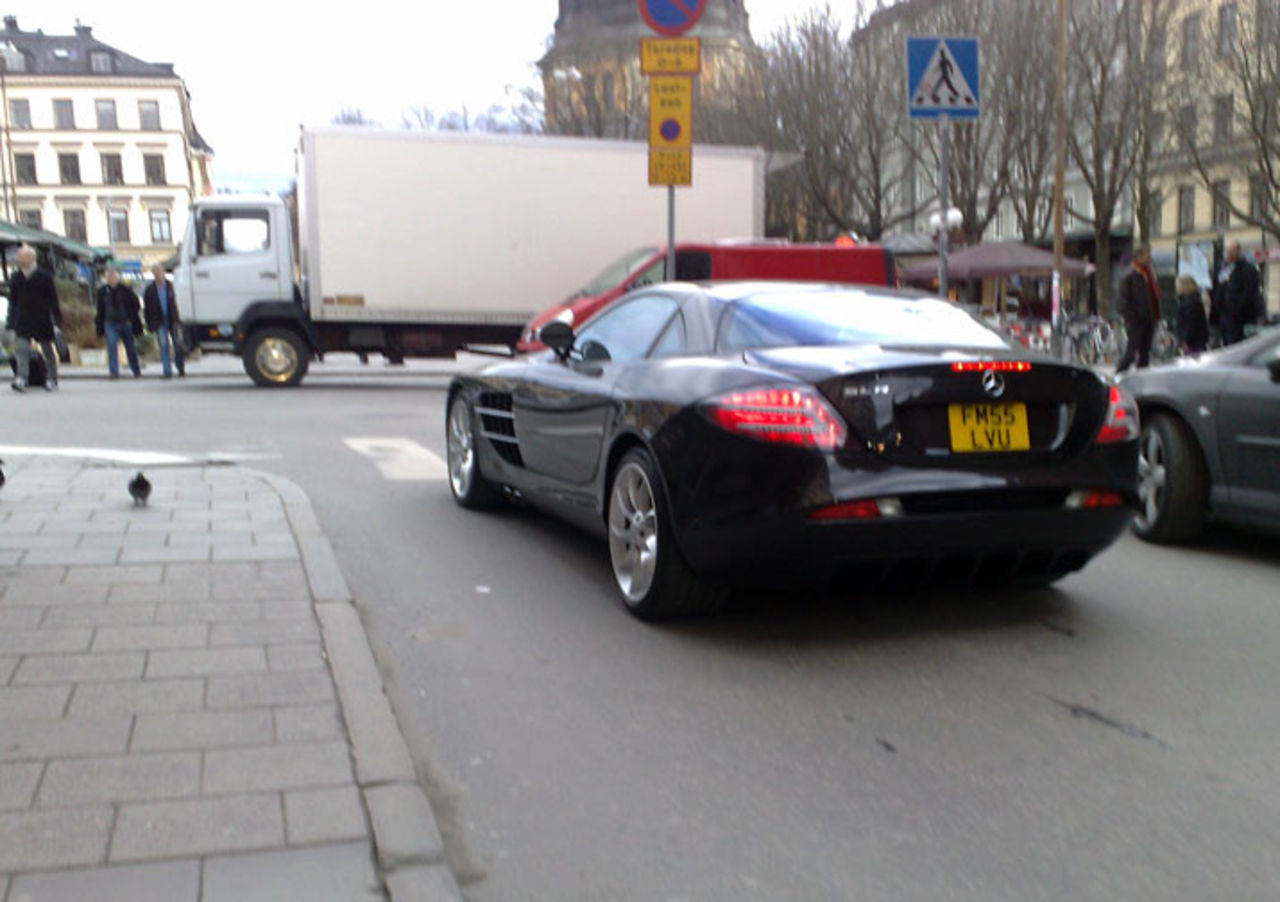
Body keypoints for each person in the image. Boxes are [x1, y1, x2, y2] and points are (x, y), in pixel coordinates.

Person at [6, 244, 62, 392]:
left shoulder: (44, 277)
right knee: (22, 349)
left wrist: (56, 321)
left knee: (47, 350)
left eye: (22, 257)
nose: (19, 259)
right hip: (23, 320)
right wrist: (11, 320)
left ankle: (52, 378)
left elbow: (53, 300)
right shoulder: (16, 277)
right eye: (19, 257)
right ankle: (22, 378)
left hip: (41, 319)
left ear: (31, 258)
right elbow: (13, 300)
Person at [1115, 243, 1160, 372]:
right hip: (1136, 321)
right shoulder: (1130, 275)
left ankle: (1142, 378)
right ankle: (1117, 375)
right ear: (1139, 257)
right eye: (1147, 255)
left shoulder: (1148, 274)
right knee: (1131, 352)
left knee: (1145, 353)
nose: (1150, 258)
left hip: (1148, 319)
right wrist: (1133, 316)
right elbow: (1123, 301)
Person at [94, 267, 143, 379]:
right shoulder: (102, 292)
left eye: (113, 277)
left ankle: (136, 370)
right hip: (110, 323)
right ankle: (114, 372)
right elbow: (100, 309)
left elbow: (136, 304)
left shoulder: (125, 290)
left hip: (125, 322)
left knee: (130, 347)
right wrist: (99, 325)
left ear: (117, 278)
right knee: (111, 347)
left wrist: (131, 317)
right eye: (108, 277)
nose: (111, 279)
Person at [1211, 241, 1260, 346]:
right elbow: (1217, 287)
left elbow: (1248, 292)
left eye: (1231, 251)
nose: (1228, 254)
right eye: (1227, 251)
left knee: (1235, 343)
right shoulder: (1222, 268)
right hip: (1223, 315)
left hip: (1238, 317)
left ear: (1237, 252)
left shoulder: (1247, 269)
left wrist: (1239, 308)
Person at [143, 264, 185, 378]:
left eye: (159, 273)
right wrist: (150, 324)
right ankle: (167, 371)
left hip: (173, 320)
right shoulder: (150, 290)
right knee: (163, 346)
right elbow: (147, 309)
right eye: (155, 274)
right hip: (160, 321)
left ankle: (180, 368)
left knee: (177, 345)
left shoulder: (171, 286)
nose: (158, 276)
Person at [1174, 274, 1209, 356]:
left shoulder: (1190, 303)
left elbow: (1190, 323)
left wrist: (1185, 339)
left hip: (1193, 342)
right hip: (1195, 340)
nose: (1177, 288)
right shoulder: (1192, 301)